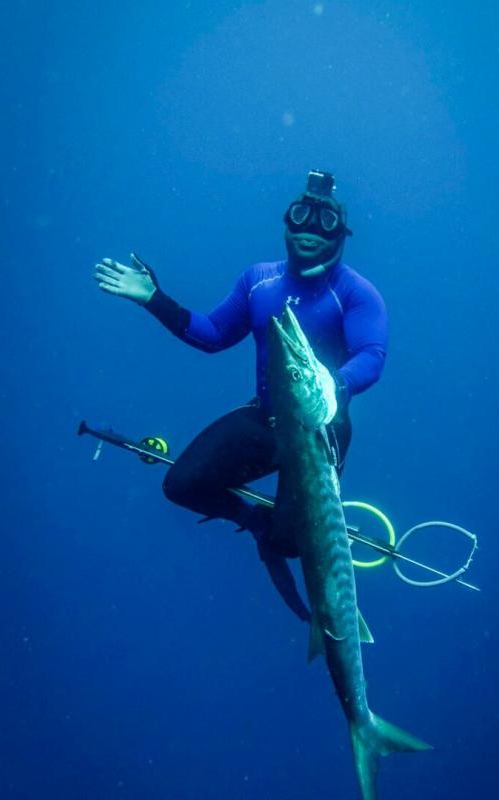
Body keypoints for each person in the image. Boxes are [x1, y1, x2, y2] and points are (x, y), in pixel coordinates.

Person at [94, 171, 388, 622]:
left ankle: (293, 530)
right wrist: (154, 298)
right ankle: (254, 519)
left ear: (341, 234)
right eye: (300, 217)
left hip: (320, 432)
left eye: (325, 221)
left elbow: (373, 354)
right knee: (180, 485)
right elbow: (211, 334)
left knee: (288, 543)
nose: (310, 229)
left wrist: (337, 385)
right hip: (267, 419)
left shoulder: (354, 292)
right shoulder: (259, 281)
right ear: (286, 225)